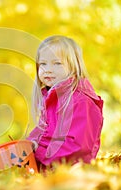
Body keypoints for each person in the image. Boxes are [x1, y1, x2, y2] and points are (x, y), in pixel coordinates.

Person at [27, 35, 103, 170]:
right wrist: (28, 146)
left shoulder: (81, 101)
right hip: (49, 172)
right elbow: (42, 134)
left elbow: (78, 147)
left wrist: (38, 152)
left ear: (73, 66)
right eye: (43, 64)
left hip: (71, 174)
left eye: (57, 63)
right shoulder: (50, 99)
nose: (48, 69)